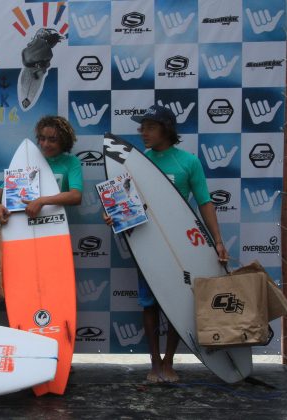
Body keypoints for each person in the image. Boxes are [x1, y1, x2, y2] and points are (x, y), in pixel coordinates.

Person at [105, 104, 229, 383]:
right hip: (148, 243)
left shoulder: (188, 162)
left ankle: (170, 360)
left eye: (150, 126)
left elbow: (205, 203)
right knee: (149, 304)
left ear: (167, 129)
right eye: (142, 127)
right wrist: (112, 212)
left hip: (181, 244)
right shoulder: (136, 163)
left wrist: (218, 242)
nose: (143, 132)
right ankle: (154, 362)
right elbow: (124, 202)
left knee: (178, 303)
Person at [0, 115, 83, 223]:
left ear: (64, 141)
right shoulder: (29, 159)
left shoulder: (71, 162)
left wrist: (42, 201)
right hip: (22, 224)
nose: (45, 144)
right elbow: (1, 190)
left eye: (52, 140)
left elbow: (76, 196)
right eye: (42, 138)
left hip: (54, 223)